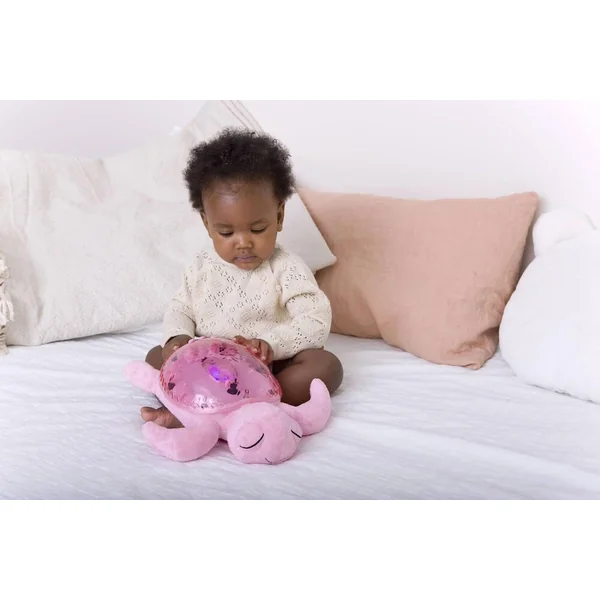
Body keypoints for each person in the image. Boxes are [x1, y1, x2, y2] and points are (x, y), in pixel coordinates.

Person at [141, 128, 343, 428]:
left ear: (279, 217)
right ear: (207, 224)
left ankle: (216, 409)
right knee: (155, 357)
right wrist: (178, 338)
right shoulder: (201, 266)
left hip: (270, 367)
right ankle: (213, 406)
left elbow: (315, 320)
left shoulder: (287, 268)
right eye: (226, 232)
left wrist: (270, 345)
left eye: (257, 229)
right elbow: (181, 308)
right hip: (210, 367)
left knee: (326, 366)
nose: (243, 242)